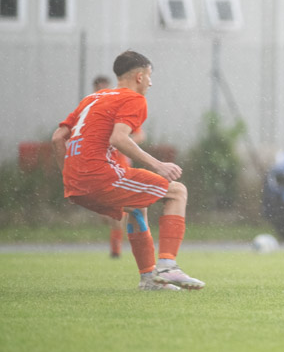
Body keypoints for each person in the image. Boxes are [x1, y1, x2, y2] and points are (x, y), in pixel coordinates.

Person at [52, 51, 204, 291]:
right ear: (140, 77)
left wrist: (68, 177)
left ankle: (149, 280)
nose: (151, 83)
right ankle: (167, 266)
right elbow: (119, 138)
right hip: (100, 176)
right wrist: (158, 165)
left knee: (137, 207)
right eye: (150, 77)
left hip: (76, 183)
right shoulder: (134, 98)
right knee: (177, 192)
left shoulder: (92, 98)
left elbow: (58, 137)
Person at [92, 75, 145, 259]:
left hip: (120, 167)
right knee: (105, 215)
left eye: (105, 88)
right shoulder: (91, 110)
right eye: (99, 89)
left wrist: (123, 142)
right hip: (99, 166)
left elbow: (139, 134)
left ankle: (116, 250)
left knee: (119, 212)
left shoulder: (119, 108)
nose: (102, 91)